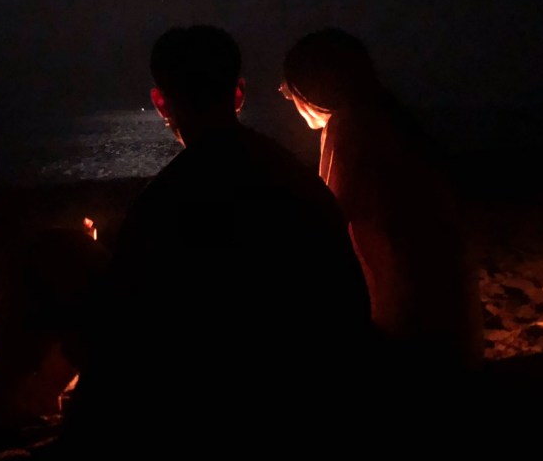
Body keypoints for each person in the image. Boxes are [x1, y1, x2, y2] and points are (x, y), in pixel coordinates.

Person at [60, 25, 372, 449]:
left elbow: (127, 331)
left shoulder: (165, 202)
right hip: (326, 401)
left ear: (160, 101)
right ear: (238, 93)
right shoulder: (296, 180)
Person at [280, 28, 484, 395]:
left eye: (288, 89)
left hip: (410, 338)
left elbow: (328, 223)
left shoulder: (349, 126)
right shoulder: (395, 120)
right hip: (455, 327)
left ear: (308, 88)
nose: (289, 98)